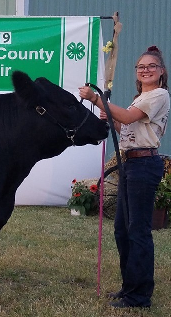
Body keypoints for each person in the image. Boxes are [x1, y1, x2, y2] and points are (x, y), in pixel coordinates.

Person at [79, 46, 169, 309]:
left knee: (138, 230)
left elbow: (129, 116)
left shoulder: (159, 95)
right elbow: (127, 125)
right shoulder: (139, 97)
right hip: (130, 165)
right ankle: (130, 286)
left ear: (161, 72)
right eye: (141, 66)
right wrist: (111, 118)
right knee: (122, 229)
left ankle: (140, 296)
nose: (145, 70)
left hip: (144, 165)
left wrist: (97, 100)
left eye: (151, 66)